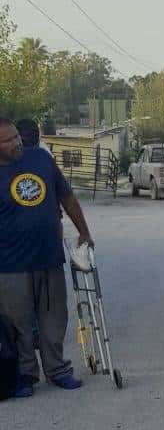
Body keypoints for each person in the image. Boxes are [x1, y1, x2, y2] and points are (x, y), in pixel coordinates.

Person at [0, 116, 94, 397]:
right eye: (8, 140)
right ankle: (26, 375)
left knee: (54, 317)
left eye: (16, 136)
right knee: (18, 323)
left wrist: (84, 231)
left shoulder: (40, 158)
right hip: (9, 263)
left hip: (48, 255)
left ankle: (58, 370)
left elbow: (66, 196)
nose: (17, 143)